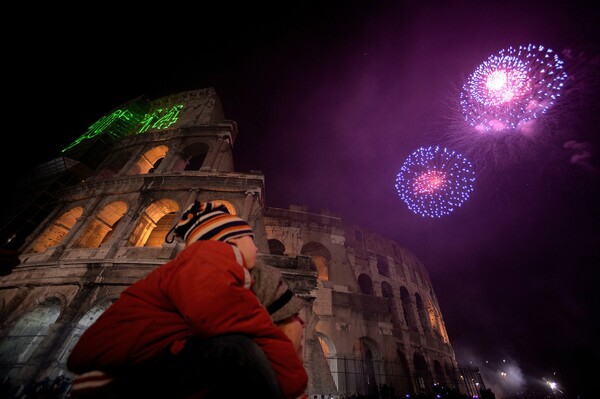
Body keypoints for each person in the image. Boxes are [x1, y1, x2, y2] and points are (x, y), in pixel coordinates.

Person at [67, 201, 308, 399]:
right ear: (232, 241)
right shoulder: (209, 258)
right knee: (238, 350)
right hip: (117, 374)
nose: (257, 249)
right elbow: (232, 317)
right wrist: (294, 386)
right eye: (252, 240)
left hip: (136, 362)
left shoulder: (198, 264)